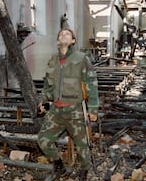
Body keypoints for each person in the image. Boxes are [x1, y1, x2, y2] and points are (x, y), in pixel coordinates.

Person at [37, 28, 100, 181]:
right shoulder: (52, 60)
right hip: (56, 111)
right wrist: (43, 100)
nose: (63, 35)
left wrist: (93, 109)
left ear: (73, 41)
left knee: (82, 145)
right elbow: (48, 85)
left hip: (75, 110)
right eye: (61, 34)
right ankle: (59, 165)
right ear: (58, 41)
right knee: (43, 140)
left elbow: (91, 83)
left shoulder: (81, 58)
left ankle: (84, 170)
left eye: (67, 34)